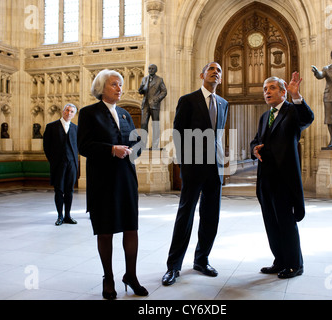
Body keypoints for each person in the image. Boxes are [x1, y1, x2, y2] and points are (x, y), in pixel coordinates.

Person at [77, 69, 147, 300]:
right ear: (101, 88)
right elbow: (84, 146)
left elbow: (130, 143)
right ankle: (108, 278)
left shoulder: (126, 114)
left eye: (120, 85)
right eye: (115, 84)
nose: (120, 88)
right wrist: (110, 149)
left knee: (131, 228)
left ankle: (131, 275)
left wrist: (136, 147)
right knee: (106, 231)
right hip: (103, 180)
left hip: (126, 177)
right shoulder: (89, 113)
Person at [162, 62, 229, 286]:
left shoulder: (223, 103)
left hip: (215, 167)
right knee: (186, 214)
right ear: (202, 74)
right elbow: (178, 133)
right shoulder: (188, 100)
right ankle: (173, 266)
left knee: (211, 215)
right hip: (193, 166)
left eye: (219, 71)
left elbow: (218, 136)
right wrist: (184, 164)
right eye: (211, 69)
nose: (215, 73)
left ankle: (202, 259)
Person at [250, 72, 314, 279]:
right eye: (265, 89)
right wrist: (254, 149)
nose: (267, 92)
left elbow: (307, 118)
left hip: (284, 180)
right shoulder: (264, 116)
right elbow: (255, 140)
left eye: (271, 88)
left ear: (283, 91)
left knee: (286, 223)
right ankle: (279, 261)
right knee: (271, 222)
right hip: (265, 180)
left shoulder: (292, 112)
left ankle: (295, 265)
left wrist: (297, 97)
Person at [43, 103, 79, 226]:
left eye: (72, 112)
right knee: (59, 190)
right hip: (58, 164)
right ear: (63, 111)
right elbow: (46, 147)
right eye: (67, 110)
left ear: (74, 114)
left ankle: (68, 216)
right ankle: (60, 216)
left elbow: (77, 146)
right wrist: (53, 161)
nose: (69, 113)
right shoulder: (51, 127)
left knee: (70, 191)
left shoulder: (76, 128)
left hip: (72, 164)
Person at [138, 64, 167, 149]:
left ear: (155, 70)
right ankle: (143, 145)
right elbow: (141, 90)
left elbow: (164, 91)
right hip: (145, 104)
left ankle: (155, 145)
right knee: (143, 124)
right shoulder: (144, 79)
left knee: (155, 125)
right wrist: (141, 90)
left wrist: (157, 99)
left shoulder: (159, 80)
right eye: (149, 68)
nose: (150, 70)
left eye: (152, 69)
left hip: (154, 105)